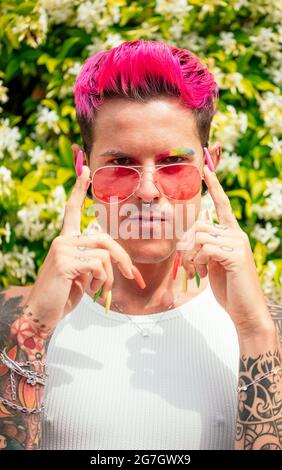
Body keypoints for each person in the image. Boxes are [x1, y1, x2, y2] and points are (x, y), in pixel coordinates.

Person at [0, 40, 281, 451]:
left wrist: (254, 331)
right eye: (120, 165)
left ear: (209, 167)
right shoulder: (13, 317)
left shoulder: (266, 324)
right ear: (84, 168)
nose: (148, 191)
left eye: (173, 165)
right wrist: (33, 331)